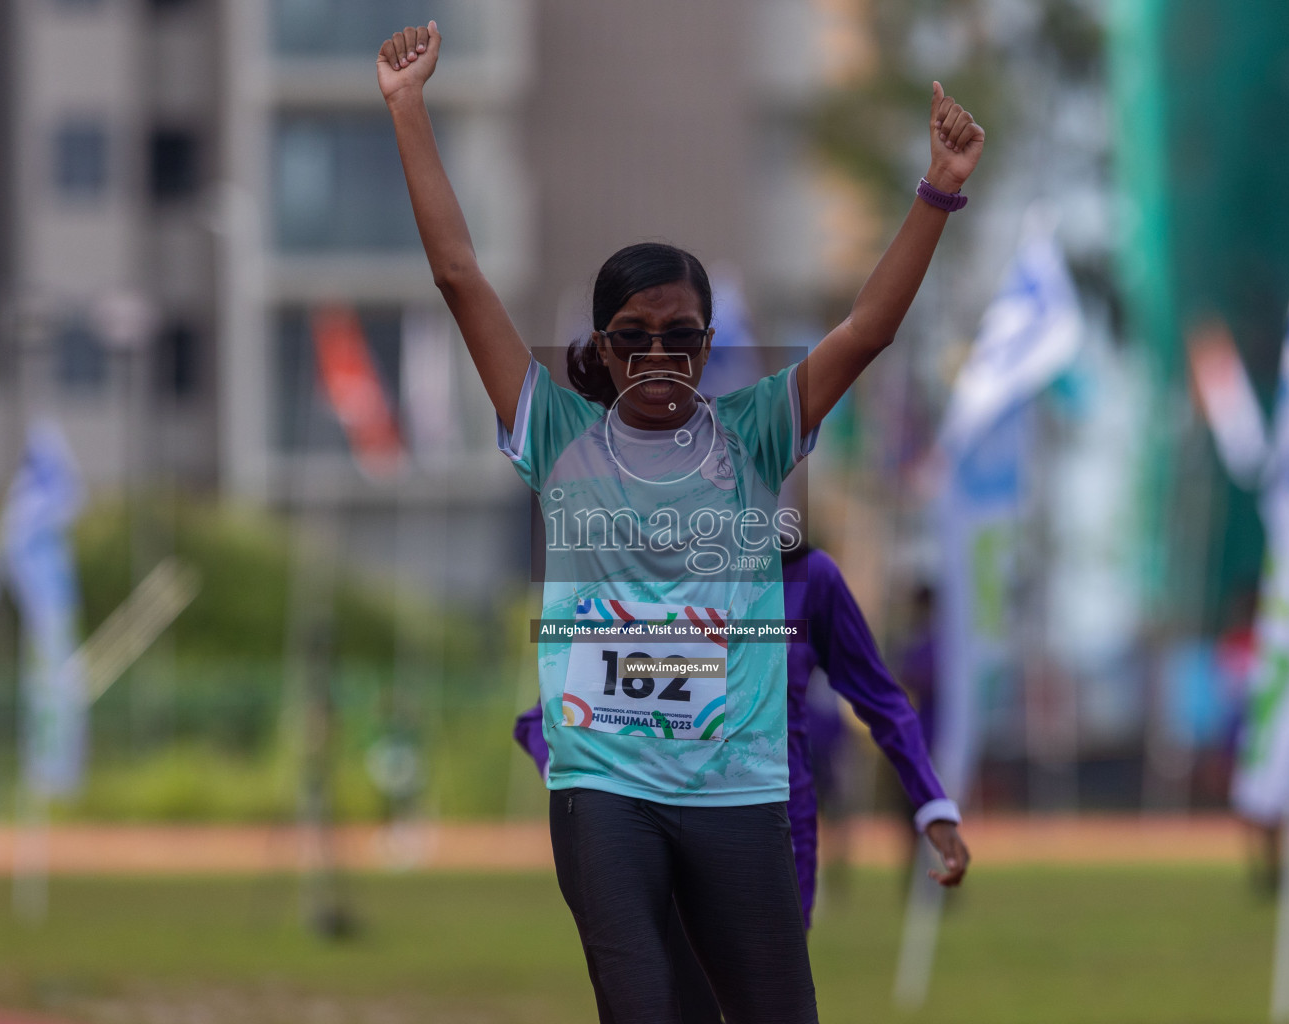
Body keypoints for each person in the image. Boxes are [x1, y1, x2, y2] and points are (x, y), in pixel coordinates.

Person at [378, 21, 984, 1023]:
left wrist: (939, 189)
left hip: (735, 793)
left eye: (681, 336)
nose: (659, 354)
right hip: (606, 786)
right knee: (645, 1004)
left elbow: (867, 329)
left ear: (708, 347)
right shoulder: (556, 432)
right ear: (604, 351)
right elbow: (460, 276)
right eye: (634, 337)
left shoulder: (755, 434)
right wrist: (408, 110)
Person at [515, 544, 965, 1022]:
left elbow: (880, 696)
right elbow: (540, 716)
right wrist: (579, 777)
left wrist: (932, 803)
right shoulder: (643, 573)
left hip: (778, 841)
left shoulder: (808, 576)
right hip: (657, 832)